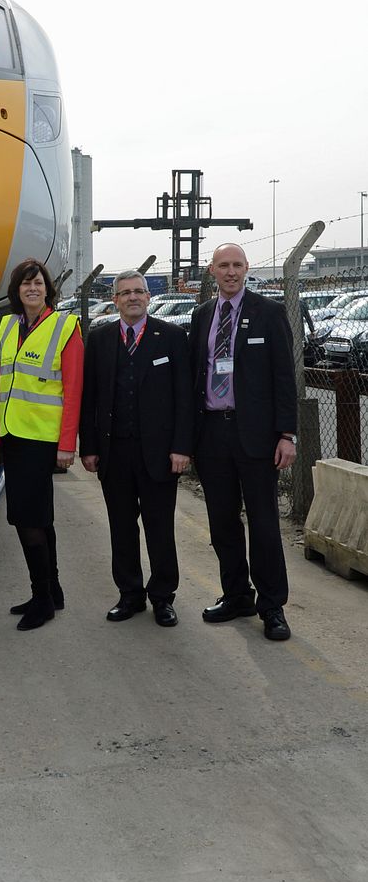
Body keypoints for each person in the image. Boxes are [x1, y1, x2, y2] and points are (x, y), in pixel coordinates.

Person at [189, 243, 297, 641]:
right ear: (212, 271)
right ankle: (236, 595)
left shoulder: (268, 314)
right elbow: (193, 379)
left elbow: (285, 377)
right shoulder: (202, 317)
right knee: (222, 522)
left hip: (257, 437)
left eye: (237, 265)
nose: (231, 272)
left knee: (264, 523)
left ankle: (272, 606)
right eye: (223, 266)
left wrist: (286, 434)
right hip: (213, 434)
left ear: (247, 269)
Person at [80, 271, 193, 627]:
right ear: (114, 300)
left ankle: (163, 597)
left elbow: (184, 399)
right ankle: (129, 594)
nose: (132, 297)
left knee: (160, 527)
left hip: (159, 453)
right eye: (125, 293)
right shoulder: (99, 340)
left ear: (148, 297)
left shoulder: (172, 337)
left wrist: (181, 447)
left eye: (138, 292)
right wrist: (90, 446)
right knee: (121, 526)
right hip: (115, 453)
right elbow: (90, 398)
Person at [0, 258, 84, 631]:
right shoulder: (8, 326)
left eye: (38, 283)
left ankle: (41, 599)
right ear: (17, 290)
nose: (32, 289)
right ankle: (51, 590)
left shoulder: (65, 327)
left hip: (42, 441)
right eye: (26, 284)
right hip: (13, 437)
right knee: (39, 518)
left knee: (27, 519)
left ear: (48, 289)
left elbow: (73, 390)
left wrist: (66, 444)